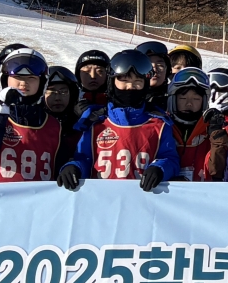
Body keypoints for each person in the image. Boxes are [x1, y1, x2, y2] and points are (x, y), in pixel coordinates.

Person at [60, 49, 175, 188]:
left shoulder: (159, 124)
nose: (130, 87)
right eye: (124, 80)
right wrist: (74, 167)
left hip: (143, 200)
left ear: (145, 84)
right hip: (101, 199)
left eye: (137, 81)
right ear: (112, 82)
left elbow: (170, 158)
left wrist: (160, 168)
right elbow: (84, 158)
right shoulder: (95, 121)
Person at [0, 48, 66, 184]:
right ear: (5, 80)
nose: (23, 83)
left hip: (38, 201)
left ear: (42, 82)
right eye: (17, 77)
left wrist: (69, 166)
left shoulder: (54, 125)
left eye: (31, 78)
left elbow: (60, 164)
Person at [74, 49, 111, 115]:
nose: (93, 76)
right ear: (78, 74)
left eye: (99, 71)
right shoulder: (70, 97)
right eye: (86, 71)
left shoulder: (115, 99)